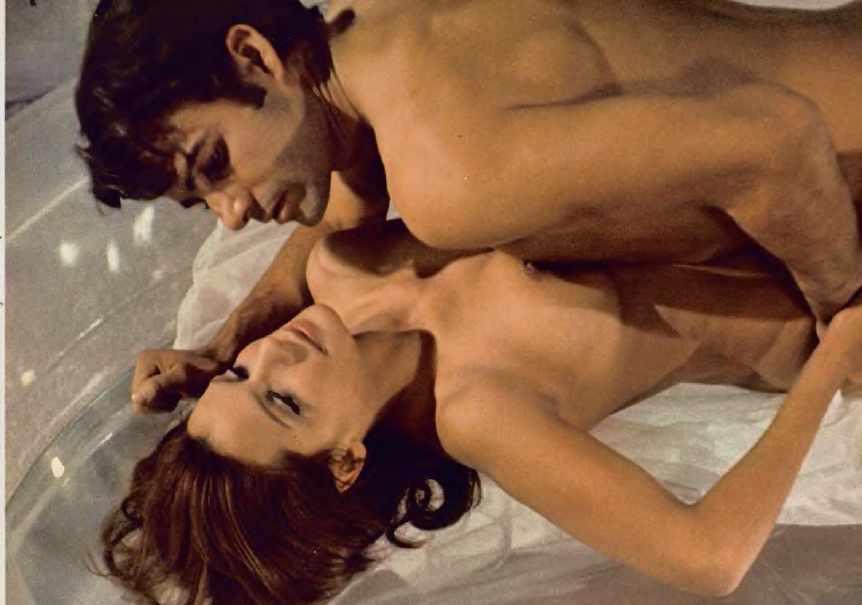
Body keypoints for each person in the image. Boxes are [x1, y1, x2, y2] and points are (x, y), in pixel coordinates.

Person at [74, 0, 862, 411]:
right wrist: (224, 346)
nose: (231, 213)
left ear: (254, 55)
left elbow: (777, 141)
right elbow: (346, 210)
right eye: (201, 201)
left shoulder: (449, 178)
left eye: (214, 165)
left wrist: (845, 310)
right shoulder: (370, 34)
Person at [107, 219, 862, 605]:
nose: (273, 353)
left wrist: (221, 343)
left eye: (240, 375)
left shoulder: (338, 272)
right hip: (824, 293)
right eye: (283, 401)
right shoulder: (478, 410)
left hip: (787, 169)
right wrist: (837, 354)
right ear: (345, 459)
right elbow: (710, 557)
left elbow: (323, 181)